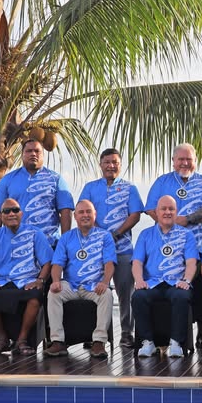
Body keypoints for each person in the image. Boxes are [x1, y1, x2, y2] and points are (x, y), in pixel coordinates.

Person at [145, 143, 202, 347]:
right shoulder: (162, 182)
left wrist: (187, 219)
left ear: (195, 161)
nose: (185, 163)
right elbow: (150, 208)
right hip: (169, 252)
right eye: (181, 159)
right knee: (173, 291)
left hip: (200, 248)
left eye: (189, 159)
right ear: (173, 161)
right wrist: (168, 222)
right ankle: (169, 336)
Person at [79, 148, 144, 348]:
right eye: (107, 162)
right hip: (95, 251)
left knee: (126, 292)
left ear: (120, 165)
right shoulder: (90, 187)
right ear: (101, 164)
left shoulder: (129, 188)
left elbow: (135, 215)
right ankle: (96, 334)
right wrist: (101, 235)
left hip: (123, 249)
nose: (111, 166)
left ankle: (126, 333)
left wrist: (115, 234)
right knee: (96, 290)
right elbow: (83, 211)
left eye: (115, 162)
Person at [0, 198, 53, 356]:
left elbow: (48, 262)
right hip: (3, 282)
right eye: (6, 211)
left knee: (35, 297)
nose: (11, 214)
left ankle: (22, 340)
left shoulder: (35, 233)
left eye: (15, 210)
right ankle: (2, 338)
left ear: (21, 214)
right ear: (1, 216)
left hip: (27, 281)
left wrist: (40, 280)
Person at [44, 200, 117, 359]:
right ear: (75, 216)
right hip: (71, 285)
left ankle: (99, 342)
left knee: (107, 295)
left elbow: (110, 264)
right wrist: (55, 280)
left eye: (88, 212)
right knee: (53, 293)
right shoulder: (66, 238)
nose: (85, 215)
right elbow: (57, 264)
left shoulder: (105, 236)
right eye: (81, 212)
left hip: (94, 286)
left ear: (95, 214)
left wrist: (105, 282)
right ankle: (58, 341)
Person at [132, 195, 198, 358]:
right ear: (156, 212)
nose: (167, 212)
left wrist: (186, 280)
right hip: (152, 283)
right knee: (138, 296)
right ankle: (147, 343)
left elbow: (191, 262)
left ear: (176, 212)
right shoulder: (145, 234)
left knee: (181, 296)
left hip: (176, 283)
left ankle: (176, 343)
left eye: (171, 209)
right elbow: (137, 262)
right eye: (163, 209)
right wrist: (139, 280)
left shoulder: (187, 235)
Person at [0, 138, 74, 247]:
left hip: (49, 246)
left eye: (37, 151)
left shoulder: (56, 180)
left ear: (43, 155)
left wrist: (65, 244)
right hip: (16, 246)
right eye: (29, 151)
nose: (33, 154)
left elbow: (66, 210)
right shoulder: (8, 180)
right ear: (22, 155)